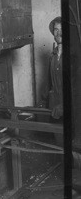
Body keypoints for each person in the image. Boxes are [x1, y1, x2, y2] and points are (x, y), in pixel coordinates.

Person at [39, 17, 63, 146]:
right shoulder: (52, 56)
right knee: (59, 144)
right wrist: (43, 101)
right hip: (54, 107)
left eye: (62, 29)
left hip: (71, 109)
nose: (59, 33)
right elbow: (49, 83)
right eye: (56, 29)